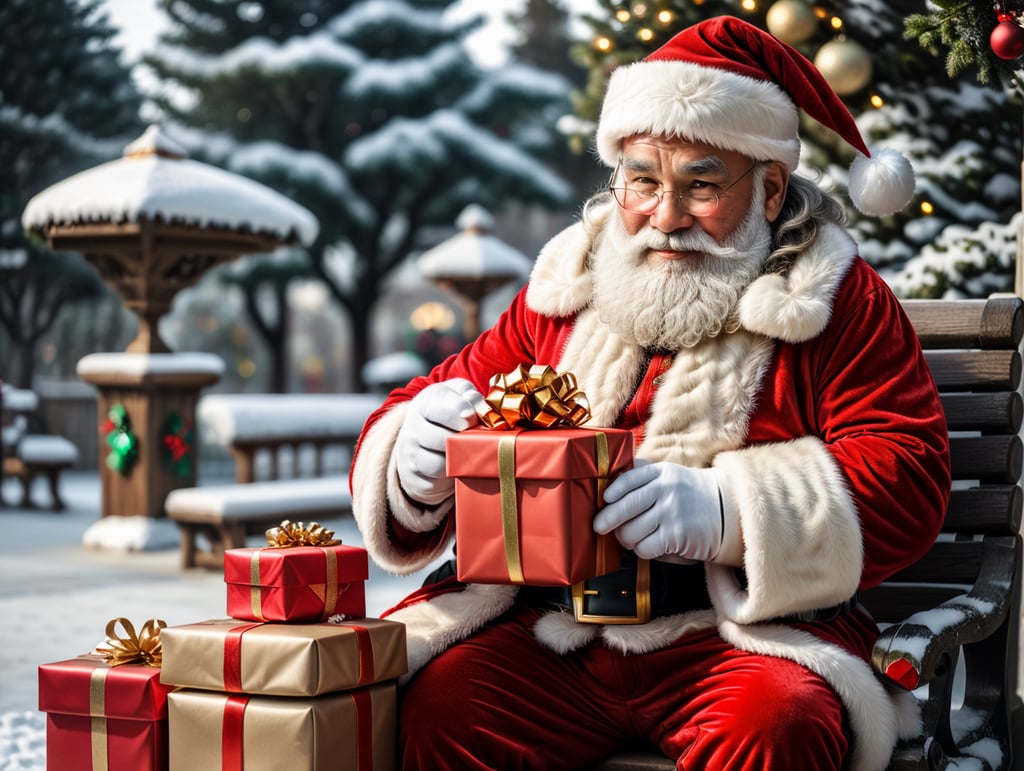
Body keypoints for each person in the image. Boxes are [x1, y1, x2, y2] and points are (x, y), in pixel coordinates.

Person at [350, 15, 950, 771]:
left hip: (735, 637)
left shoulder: (840, 298)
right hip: (554, 635)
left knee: (780, 722)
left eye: (701, 184)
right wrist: (413, 455)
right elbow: (455, 390)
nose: (664, 217)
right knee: (443, 705)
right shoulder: (570, 279)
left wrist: (732, 512)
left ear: (768, 189)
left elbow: (908, 470)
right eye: (641, 180)